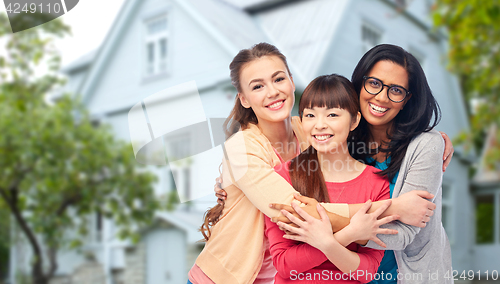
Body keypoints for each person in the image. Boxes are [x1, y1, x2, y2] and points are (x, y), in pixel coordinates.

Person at [189, 43, 402, 284]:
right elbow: (293, 210)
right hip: (221, 277)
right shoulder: (241, 148)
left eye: (278, 79)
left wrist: (434, 140)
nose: (272, 92)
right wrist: (387, 210)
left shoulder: (309, 128)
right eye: (258, 86)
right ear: (244, 99)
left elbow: (356, 122)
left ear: (291, 82)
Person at [273, 44, 453, 283]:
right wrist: (395, 208)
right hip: (348, 273)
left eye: (396, 90)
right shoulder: (341, 139)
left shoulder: (425, 146)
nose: (381, 97)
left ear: (407, 100)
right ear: (360, 83)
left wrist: (318, 221)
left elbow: (402, 233)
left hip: (409, 276)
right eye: (374, 83)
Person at [266, 74, 393, 283]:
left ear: (354, 121)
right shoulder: (282, 176)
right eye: (310, 115)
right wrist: (349, 234)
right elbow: (284, 264)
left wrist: (326, 242)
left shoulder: (377, 183)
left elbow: (367, 271)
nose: (320, 125)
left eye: (332, 115)